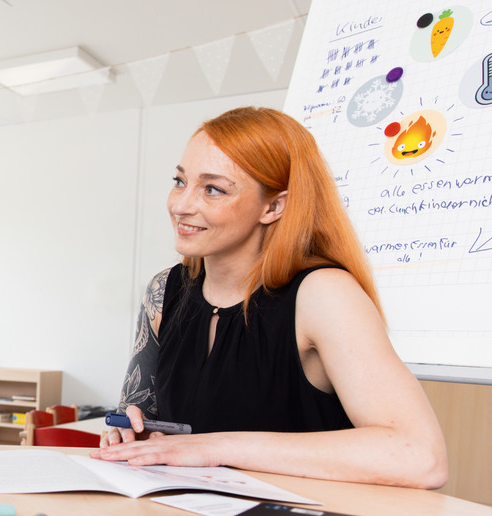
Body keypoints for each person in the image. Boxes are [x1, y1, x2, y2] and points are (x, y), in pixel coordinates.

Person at [92, 107, 446, 489]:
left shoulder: (323, 293)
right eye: (180, 181)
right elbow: (139, 414)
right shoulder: (164, 291)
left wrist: (212, 447)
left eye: (213, 189)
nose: (180, 204)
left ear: (273, 206)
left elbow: (420, 456)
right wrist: (133, 435)